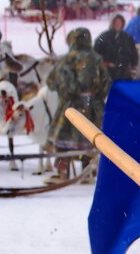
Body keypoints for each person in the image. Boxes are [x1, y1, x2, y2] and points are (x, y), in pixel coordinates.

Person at [45, 28, 110, 180]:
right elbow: (106, 82)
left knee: (63, 138)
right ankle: (88, 171)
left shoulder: (67, 59)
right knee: (92, 137)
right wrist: (97, 96)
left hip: (72, 105)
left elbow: (53, 81)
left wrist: (67, 91)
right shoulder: (97, 58)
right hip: (94, 104)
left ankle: (63, 171)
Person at [93, 13, 139, 81]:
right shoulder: (104, 37)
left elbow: (133, 52)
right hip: (108, 72)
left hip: (124, 72)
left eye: (120, 22)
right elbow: (96, 52)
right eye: (116, 22)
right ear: (112, 23)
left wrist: (134, 64)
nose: (118, 24)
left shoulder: (127, 37)